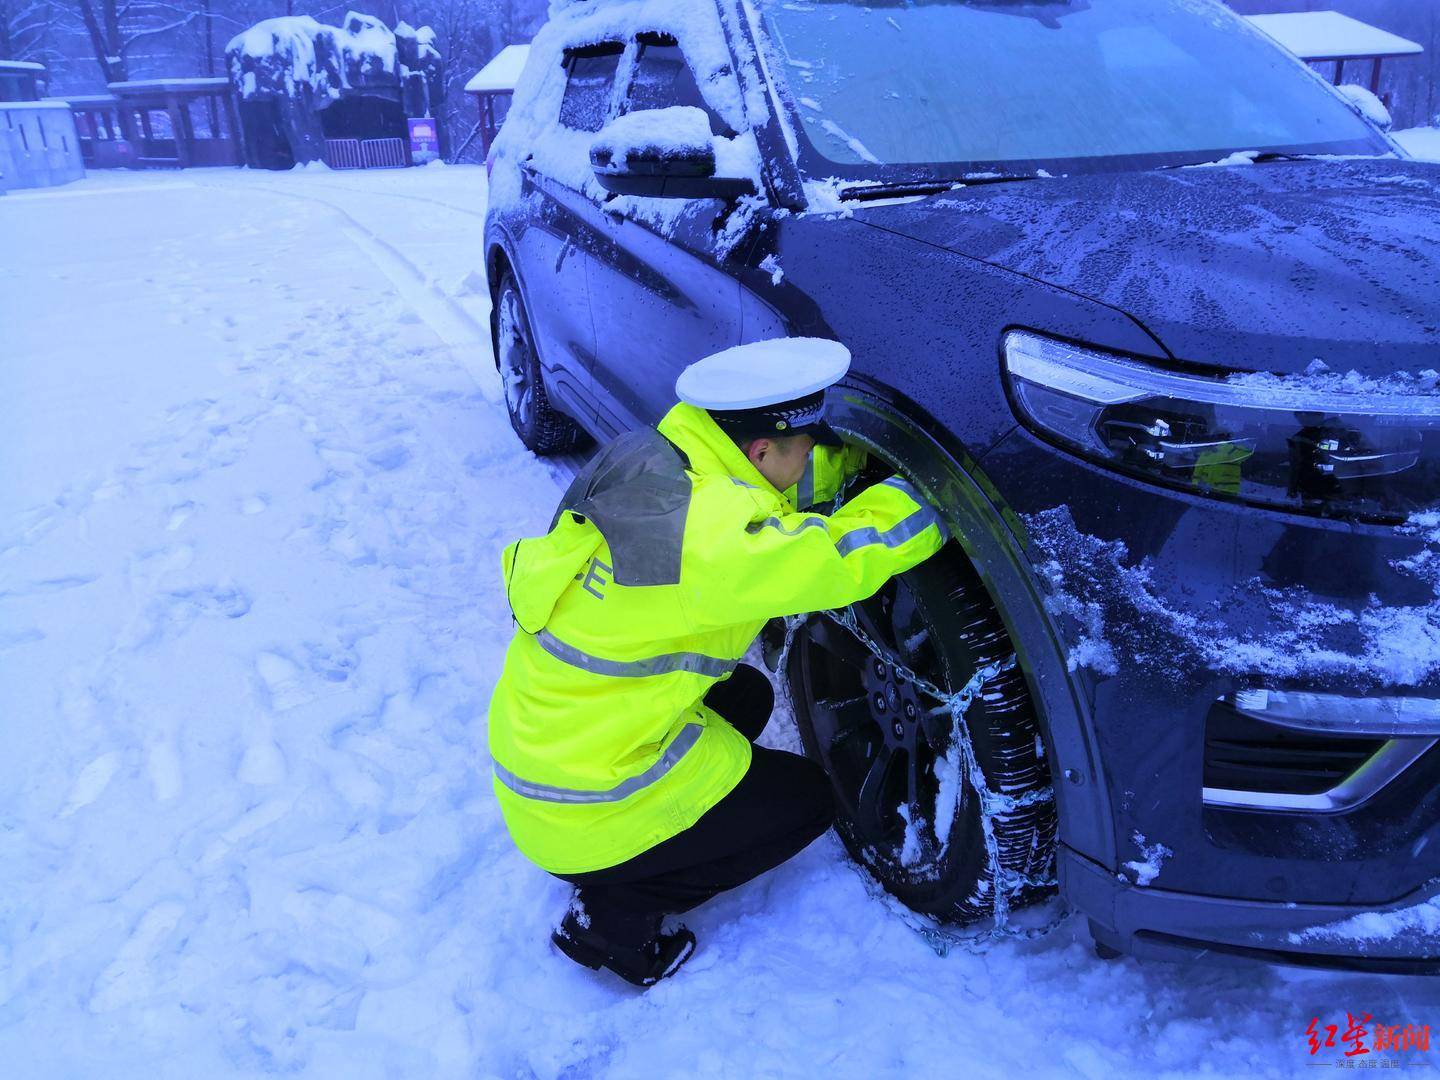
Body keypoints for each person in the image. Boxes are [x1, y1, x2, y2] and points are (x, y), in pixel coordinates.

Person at [486, 338, 948, 987]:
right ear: (762, 449)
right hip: (582, 807)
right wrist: (936, 495)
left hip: (544, 758)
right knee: (808, 802)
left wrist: (849, 464)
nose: (814, 455)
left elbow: (777, 486)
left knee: (748, 696)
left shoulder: (656, 455)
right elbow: (842, 558)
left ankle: (633, 844)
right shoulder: (713, 539)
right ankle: (615, 919)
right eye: (806, 444)